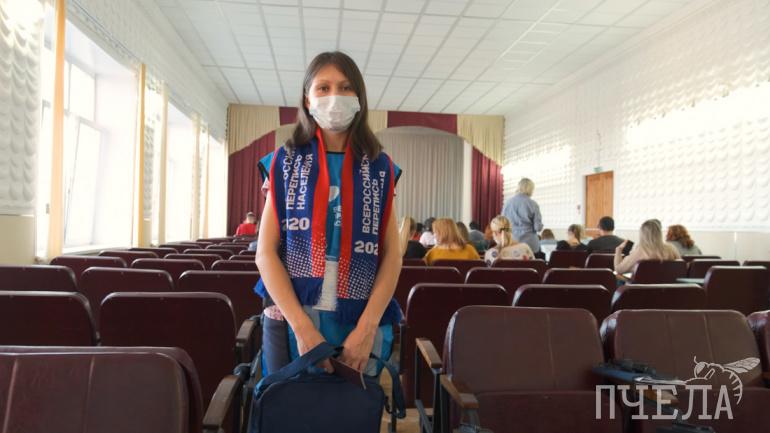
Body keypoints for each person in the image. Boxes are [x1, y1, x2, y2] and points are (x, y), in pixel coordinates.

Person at [255, 51, 402, 377]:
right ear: (307, 99)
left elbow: (393, 256)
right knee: (289, 406)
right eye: (323, 87)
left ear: (359, 99)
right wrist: (303, 329)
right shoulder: (283, 163)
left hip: (359, 322)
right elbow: (265, 254)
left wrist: (366, 329)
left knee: (352, 406)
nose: (335, 96)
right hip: (293, 317)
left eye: (346, 87)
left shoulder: (381, 168)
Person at [614, 219, 681, 275]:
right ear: (659, 233)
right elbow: (681, 267)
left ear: (642, 234)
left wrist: (618, 250)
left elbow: (619, 270)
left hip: (641, 286)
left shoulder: (640, 251)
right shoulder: (671, 248)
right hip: (667, 286)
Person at [501, 178, 543, 253]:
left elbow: (503, 224)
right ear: (530, 189)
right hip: (530, 244)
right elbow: (538, 228)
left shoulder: (508, 203)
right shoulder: (533, 204)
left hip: (512, 242)